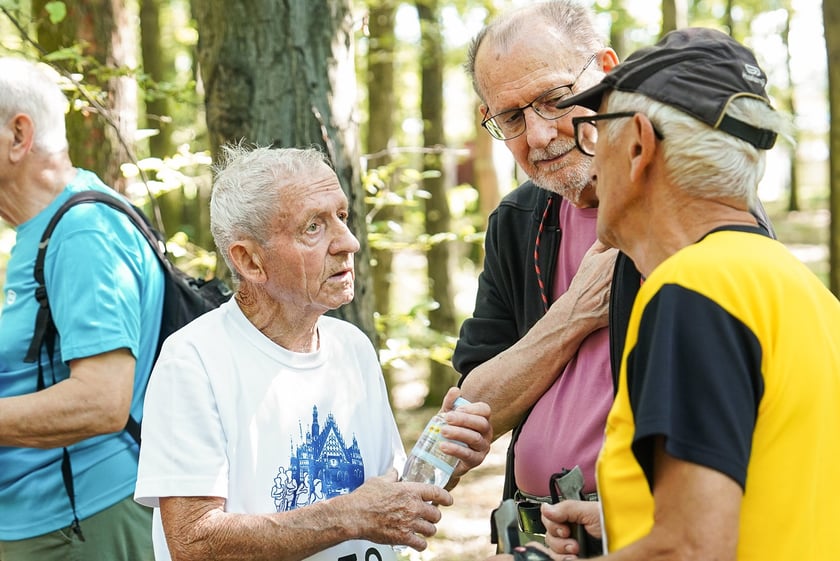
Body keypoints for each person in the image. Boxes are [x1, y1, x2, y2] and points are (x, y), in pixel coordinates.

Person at [516, 27, 840, 560]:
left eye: (598, 132)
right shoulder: (800, 289)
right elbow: (783, 484)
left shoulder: (692, 289)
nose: (591, 163)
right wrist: (626, 519)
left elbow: (691, 549)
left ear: (639, 145)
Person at [134, 143, 494, 561]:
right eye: (313, 227)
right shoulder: (193, 360)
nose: (349, 242)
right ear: (250, 261)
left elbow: (383, 500)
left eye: (342, 216)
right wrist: (348, 516)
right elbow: (193, 542)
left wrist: (443, 458)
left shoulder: (352, 347)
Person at [455, 0, 620, 546]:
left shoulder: (683, 206)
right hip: (530, 533)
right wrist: (573, 315)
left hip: (642, 534)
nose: (540, 135)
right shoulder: (518, 221)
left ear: (606, 73)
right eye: (511, 118)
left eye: (554, 100)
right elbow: (475, 404)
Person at [0, 57, 162, 560]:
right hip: (52, 522)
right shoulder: (46, 228)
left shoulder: (81, 233)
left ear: (17, 135)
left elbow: (102, 400)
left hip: (84, 523)